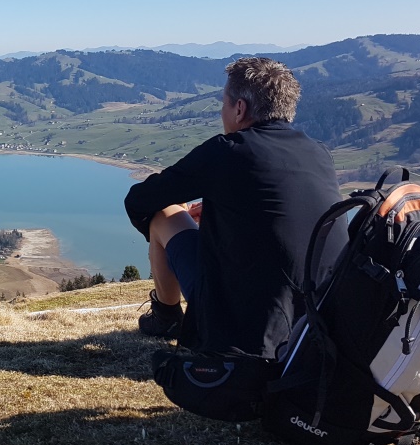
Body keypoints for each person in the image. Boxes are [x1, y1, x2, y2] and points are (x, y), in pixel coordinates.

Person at [124, 57, 345, 357]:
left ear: (240, 109)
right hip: (317, 323)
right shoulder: (319, 153)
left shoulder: (227, 151)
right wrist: (218, 215)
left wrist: (187, 220)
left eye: (223, 104)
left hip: (243, 326)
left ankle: (166, 318)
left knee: (164, 213)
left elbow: (140, 199)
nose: (222, 112)